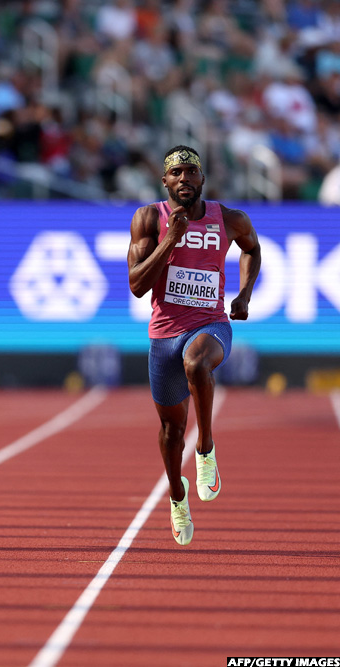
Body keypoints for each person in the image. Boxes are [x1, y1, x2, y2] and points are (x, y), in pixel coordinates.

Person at [127, 145, 261, 546]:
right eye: (176, 174)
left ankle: (205, 449)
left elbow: (252, 248)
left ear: (203, 179)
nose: (184, 179)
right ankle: (177, 495)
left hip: (211, 323)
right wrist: (170, 240)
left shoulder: (229, 219)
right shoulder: (149, 219)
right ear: (164, 181)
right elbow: (136, 286)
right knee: (170, 430)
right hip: (163, 333)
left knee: (198, 365)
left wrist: (244, 295)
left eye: (191, 173)